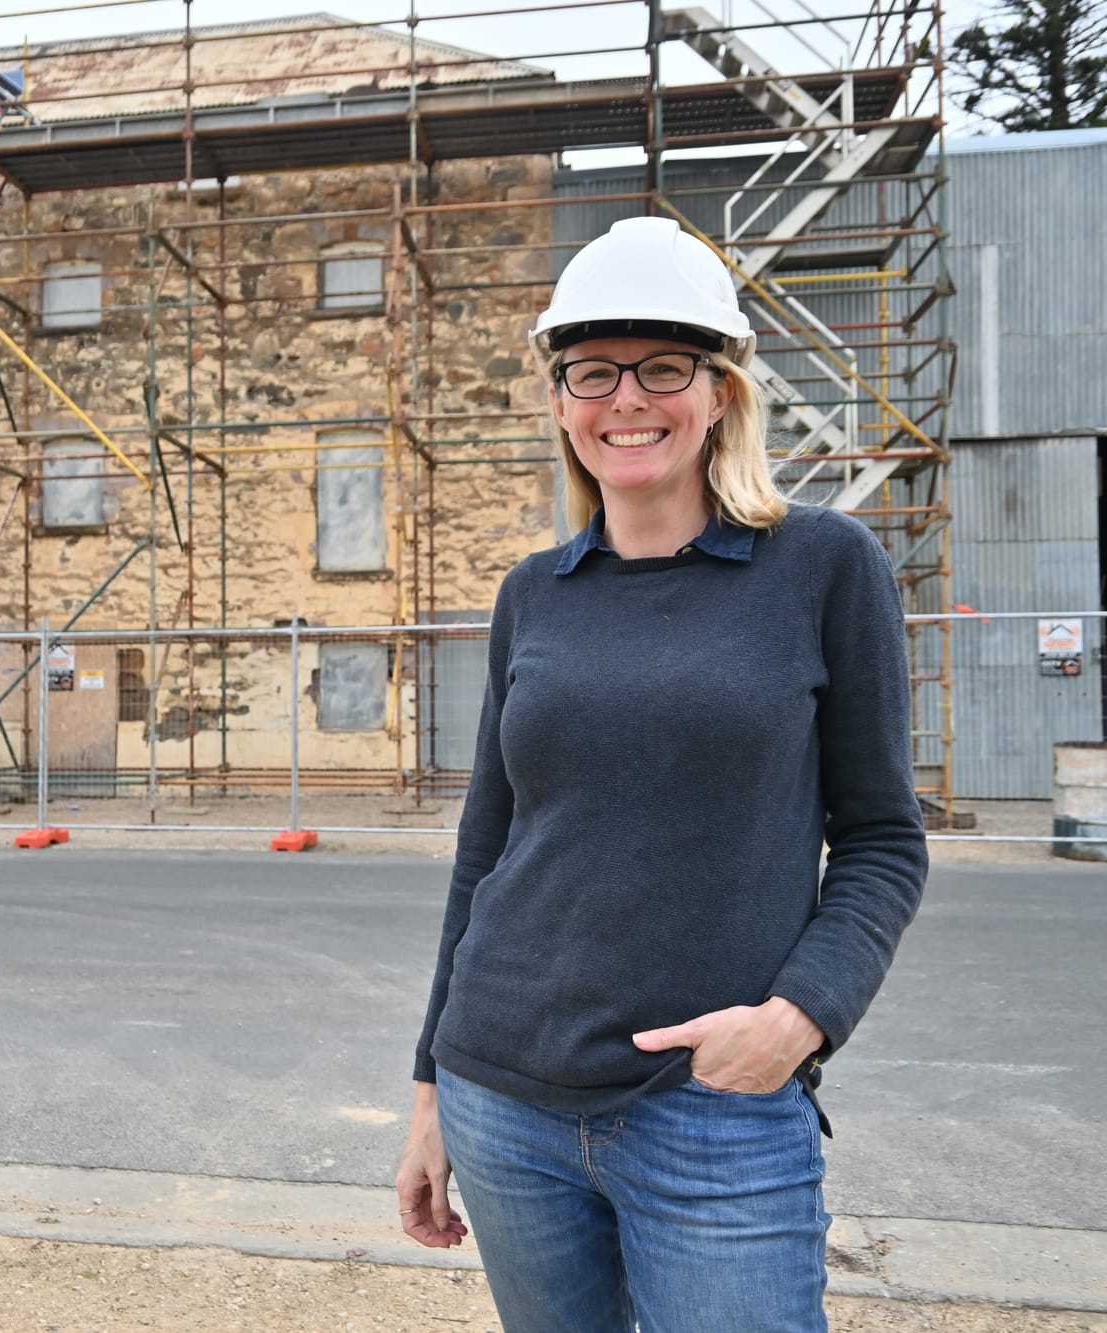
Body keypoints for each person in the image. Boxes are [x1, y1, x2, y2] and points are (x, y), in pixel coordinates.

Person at [394, 215, 928, 1332]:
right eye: (592, 371)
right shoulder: (532, 593)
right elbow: (486, 849)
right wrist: (431, 1087)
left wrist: (799, 1017)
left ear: (722, 390)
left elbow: (882, 837)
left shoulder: (822, 565)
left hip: (714, 1111)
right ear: (560, 403)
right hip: (502, 1100)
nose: (626, 399)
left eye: (664, 367)